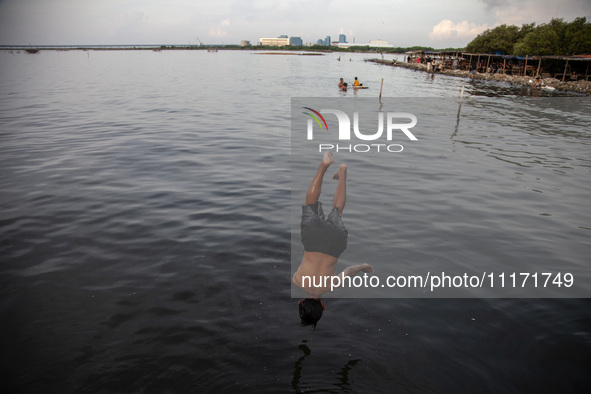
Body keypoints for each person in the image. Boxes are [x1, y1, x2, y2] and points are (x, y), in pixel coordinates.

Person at [292, 152, 374, 329]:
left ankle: (342, 172)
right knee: (309, 204)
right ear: (300, 301)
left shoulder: (332, 286)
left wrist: (364, 267)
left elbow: (350, 270)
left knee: (337, 209)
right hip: (312, 241)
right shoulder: (297, 281)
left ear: (323, 305)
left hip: (335, 243)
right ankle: (323, 167)